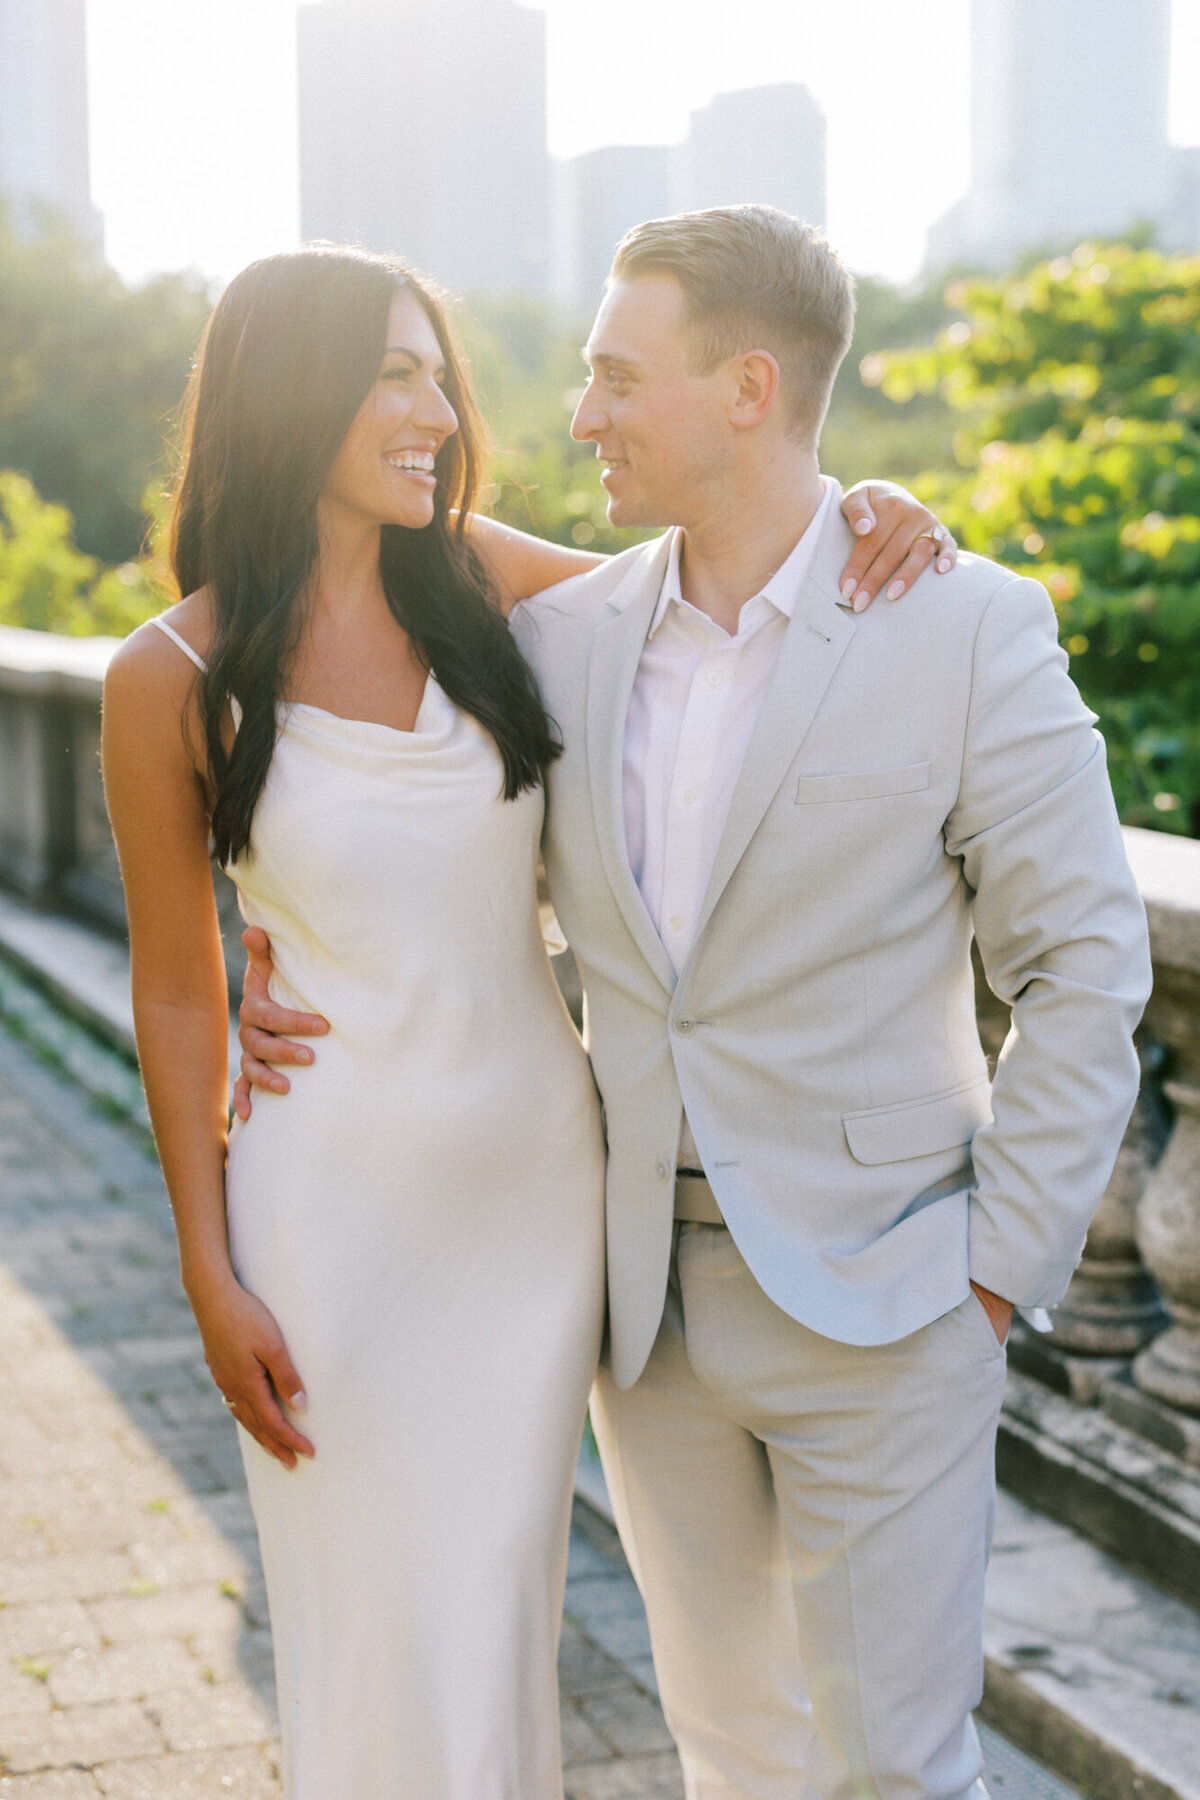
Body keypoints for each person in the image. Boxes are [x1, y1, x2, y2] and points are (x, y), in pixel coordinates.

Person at [242, 210, 1153, 1800]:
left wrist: (994, 1276)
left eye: (614, 377)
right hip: (637, 1311)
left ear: (748, 387)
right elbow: (364, 777)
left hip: (894, 1300)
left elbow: (1086, 968)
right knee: (729, 1753)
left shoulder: (962, 626)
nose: (577, 414)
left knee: (896, 1772)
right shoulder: (552, 637)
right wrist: (284, 940)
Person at [103, 241, 956, 1800]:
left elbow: (734, 591)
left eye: (441, 374)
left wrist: (872, 514)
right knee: (367, 1622)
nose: (440, 411)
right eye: (396, 375)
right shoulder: (168, 677)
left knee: (495, 1616)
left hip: (530, 1203)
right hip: (327, 1211)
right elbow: (172, 982)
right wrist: (206, 1261)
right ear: (294, 398)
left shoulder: (485, 584)